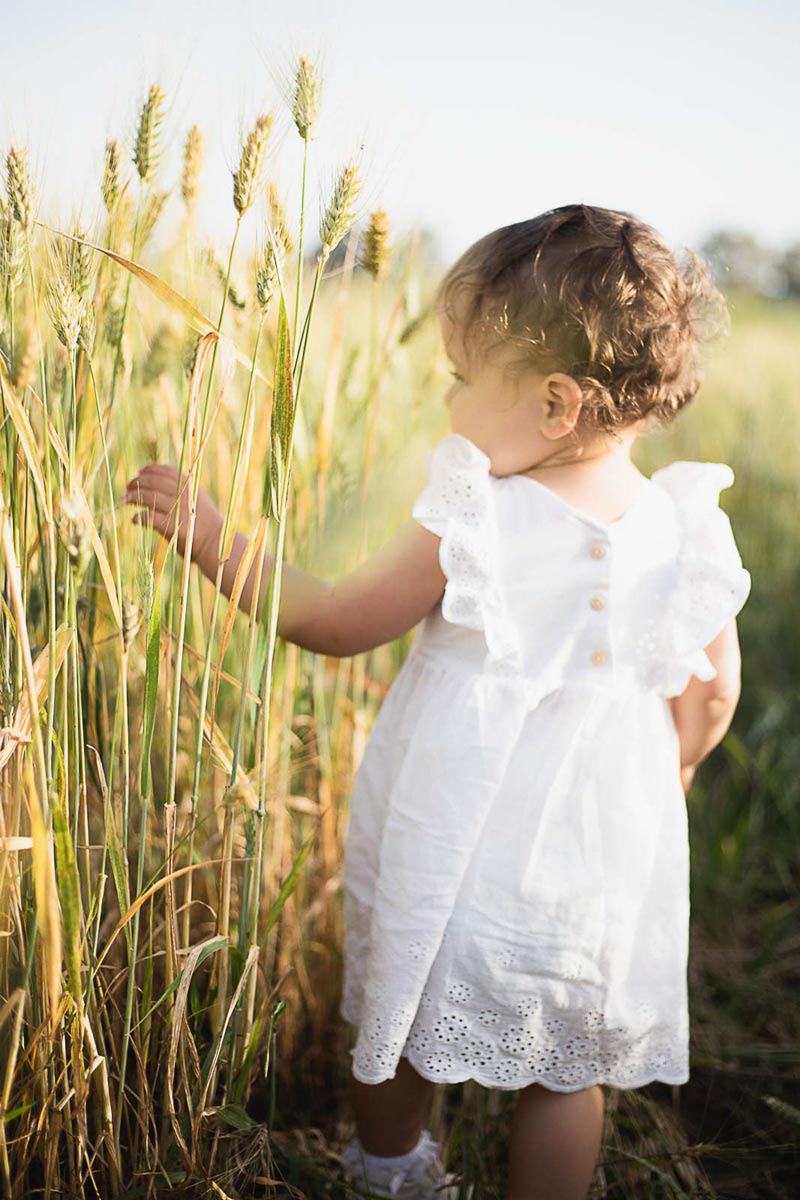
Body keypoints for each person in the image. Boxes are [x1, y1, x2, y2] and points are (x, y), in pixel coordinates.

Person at [123, 204, 752, 1200]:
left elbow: (334, 620)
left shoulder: (475, 510)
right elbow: (711, 692)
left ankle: (389, 1175)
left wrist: (211, 539)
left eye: (462, 380)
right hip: (599, 853)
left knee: (406, 1013)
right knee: (565, 1064)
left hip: (456, 837)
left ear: (552, 404)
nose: (447, 404)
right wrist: (673, 765)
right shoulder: (682, 522)